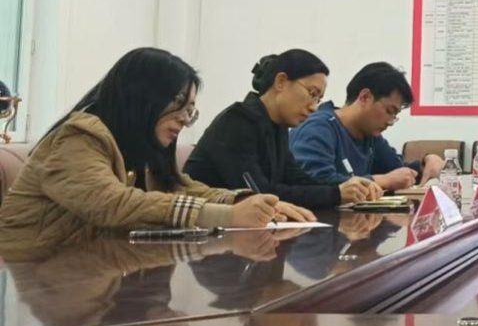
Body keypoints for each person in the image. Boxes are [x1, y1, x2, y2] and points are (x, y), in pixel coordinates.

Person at [0, 48, 312, 249]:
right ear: (141, 98)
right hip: (24, 280)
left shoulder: (137, 146)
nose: (184, 119)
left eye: (190, 110)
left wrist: (247, 202)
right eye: (178, 104)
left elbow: (179, 186)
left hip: (90, 274)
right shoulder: (78, 137)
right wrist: (229, 215)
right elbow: (113, 203)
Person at [185, 50, 380, 209]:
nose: (314, 107)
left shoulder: (278, 126)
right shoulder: (238, 121)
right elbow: (259, 193)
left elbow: (297, 179)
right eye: (312, 94)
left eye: (318, 99)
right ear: (281, 82)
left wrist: (348, 186)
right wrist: (335, 194)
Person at [290, 62, 440, 191]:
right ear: (365, 97)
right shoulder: (317, 128)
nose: (390, 122)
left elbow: (398, 170)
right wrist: (382, 181)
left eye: (395, 115)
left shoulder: (369, 134)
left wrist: (426, 162)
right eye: (389, 111)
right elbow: (313, 185)